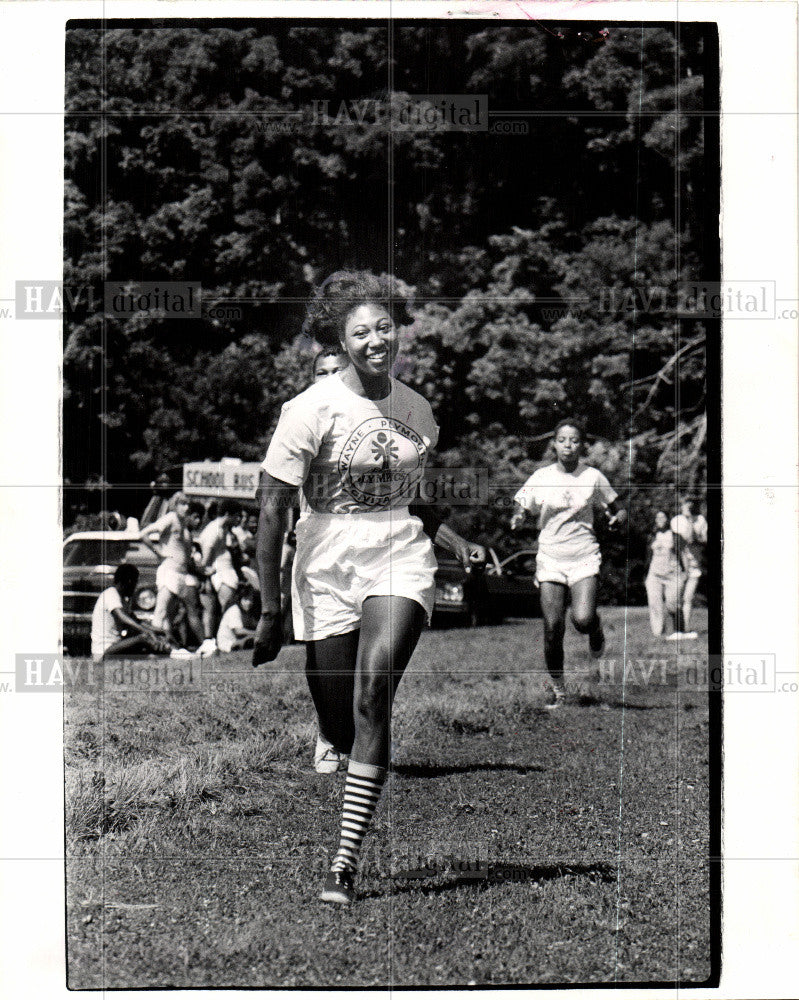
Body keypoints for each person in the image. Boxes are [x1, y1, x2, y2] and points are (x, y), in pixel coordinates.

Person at [253, 271, 485, 905]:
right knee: (338, 714)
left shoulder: (418, 412)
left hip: (397, 555)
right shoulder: (311, 408)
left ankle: (344, 861)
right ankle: (336, 739)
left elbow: (410, 500)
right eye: (360, 331)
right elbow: (272, 506)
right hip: (325, 556)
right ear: (342, 339)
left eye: (384, 326)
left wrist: (453, 541)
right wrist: (271, 611)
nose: (375, 339)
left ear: (399, 329)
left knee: (374, 683)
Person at [510, 420, 626, 707]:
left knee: (583, 620)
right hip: (550, 557)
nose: (568, 445)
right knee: (553, 627)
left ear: (581, 445)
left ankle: (596, 629)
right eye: (562, 440)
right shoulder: (541, 476)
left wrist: (617, 518)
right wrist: (518, 516)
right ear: (554, 444)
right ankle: (560, 691)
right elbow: (522, 503)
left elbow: (617, 507)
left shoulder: (593, 476)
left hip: (584, 556)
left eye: (574, 440)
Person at [141, 492, 205, 649]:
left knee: (170, 614)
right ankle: (153, 645)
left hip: (181, 574)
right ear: (175, 505)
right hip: (168, 572)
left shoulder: (184, 526)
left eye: (187, 504)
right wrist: (159, 552)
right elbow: (144, 534)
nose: (186, 507)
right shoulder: (170, 518)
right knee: (161, 610)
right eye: (182, 504)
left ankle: (165, 645)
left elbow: (186, 555)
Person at [90, 563, 171, 662]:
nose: (135, 587)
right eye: (135, 583)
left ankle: (168, 651)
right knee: (143, 638)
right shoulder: (111, 594)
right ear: (129, 582)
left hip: (116, 645)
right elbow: (122, 617)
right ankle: (170, 651)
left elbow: (137, 622)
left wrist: (160, 631)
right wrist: (146, 632)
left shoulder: (123, 599)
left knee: (148, 647)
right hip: (104, 650)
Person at [198, 499, 241, 645]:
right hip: (218, 576)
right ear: (228, 514)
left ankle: (221, 640)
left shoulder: (223, 529)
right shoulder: (214, 530)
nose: (239, 519)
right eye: (236, 516)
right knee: (223, 609)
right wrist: (206, 577)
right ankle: (214, 641)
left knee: (224, 609)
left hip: (224, 574)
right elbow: (206, 560)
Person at [644, 511, 686, 638]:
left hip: (673, 574)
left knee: (672, 603)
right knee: (654, 603)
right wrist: (646, 575)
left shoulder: (676, 536)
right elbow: (647, 557)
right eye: (658, 517)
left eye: (663, 516)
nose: (660, 519)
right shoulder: (652, 536)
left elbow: (683, 555)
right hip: (654, 574)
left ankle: (679, 631)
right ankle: (658, 633)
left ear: (668, 519)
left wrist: (685, 573)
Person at [670, 496, 705, 637]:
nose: (687, 508)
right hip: (680, 564)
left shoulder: (701, 520)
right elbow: (680, 543)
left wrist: (692, 523)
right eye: (685, 505)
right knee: (675, 598)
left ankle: (685, 629)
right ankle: (678, 629)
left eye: (690, 505)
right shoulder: (677, 520)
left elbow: (703, 539)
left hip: (695, 564)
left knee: (688, 598)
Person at [216, 586, 258, 653]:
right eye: (245, 599)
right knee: (252, 639)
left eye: (251, 600)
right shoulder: (234, 610)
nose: (249, 602)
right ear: (240, 600)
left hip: (238, 640)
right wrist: (257, 633)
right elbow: (238, 631)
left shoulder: (248, 612)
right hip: (228, 644)